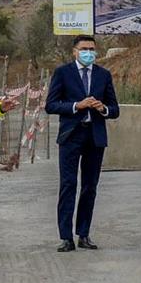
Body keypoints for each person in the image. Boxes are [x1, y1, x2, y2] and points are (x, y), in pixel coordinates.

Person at [44, 34, 118, 251]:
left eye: (92, 49)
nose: (89, 53)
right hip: (71, 136)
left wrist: (102, 108)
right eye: (84, 48)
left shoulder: (103, 75)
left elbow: (114, 109)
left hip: (95, 137)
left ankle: (83, 234)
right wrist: (77, 105)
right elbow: (51, 105)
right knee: (68, 185)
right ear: (74, 51)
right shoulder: (63, 73)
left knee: (89, 187)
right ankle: (65, 236)